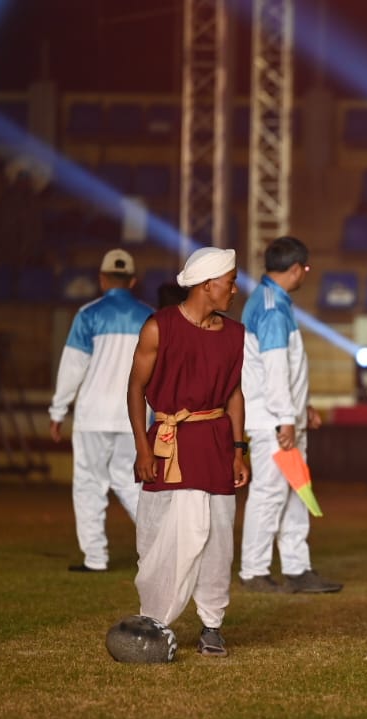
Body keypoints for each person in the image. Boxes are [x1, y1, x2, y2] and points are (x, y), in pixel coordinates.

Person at [128, 247, 250, 657]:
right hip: (168, 443)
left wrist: (239, 449)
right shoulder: (158, 327)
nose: (234, 288)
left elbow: (234, 393)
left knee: (217, 539)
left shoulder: (234, 334)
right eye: (229, 281)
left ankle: (211, 625)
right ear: (206, 284)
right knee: (162, 535)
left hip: (215, 443)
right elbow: (135, 388)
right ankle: (154, 619)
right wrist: (142, 447)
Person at [239, 236, 342, 594]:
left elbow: (286, 368)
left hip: (283, 417)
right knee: (269, 494)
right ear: (296, 268)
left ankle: (298, 570)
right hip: (273, 420)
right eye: (306, 269)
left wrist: (301, 409)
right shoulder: (271, 306)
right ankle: (253, 570)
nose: (305, 275)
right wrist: (286, 416)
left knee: (296, 492)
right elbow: (275, 367)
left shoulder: (274, 302)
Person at [48, 249, 154, 573]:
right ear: (133, 281)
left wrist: (58, 411)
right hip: (133, 416)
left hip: (93, 415)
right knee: (131, 484)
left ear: (102, 279)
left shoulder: (88, 314)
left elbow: (72, 367)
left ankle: (95, 558)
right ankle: (159, 548)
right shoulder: (151, 316)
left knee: (89, 485)